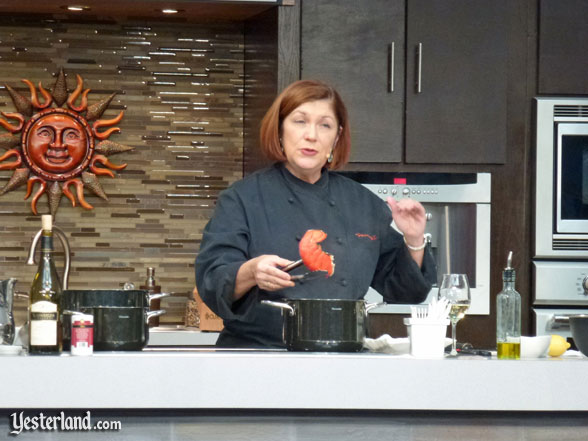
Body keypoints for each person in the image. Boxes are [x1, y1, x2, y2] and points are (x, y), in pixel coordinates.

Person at [195, 79, 437, 348]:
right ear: (279, 130)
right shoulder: (242, 199)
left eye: (325, 125)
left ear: (337, 136)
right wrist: (251, 272)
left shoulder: (363, 203)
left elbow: (407, 292)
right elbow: (212, 281)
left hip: (340, 359)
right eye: (300, 121)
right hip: (257, 358)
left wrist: (414, 240)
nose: (311, 135)